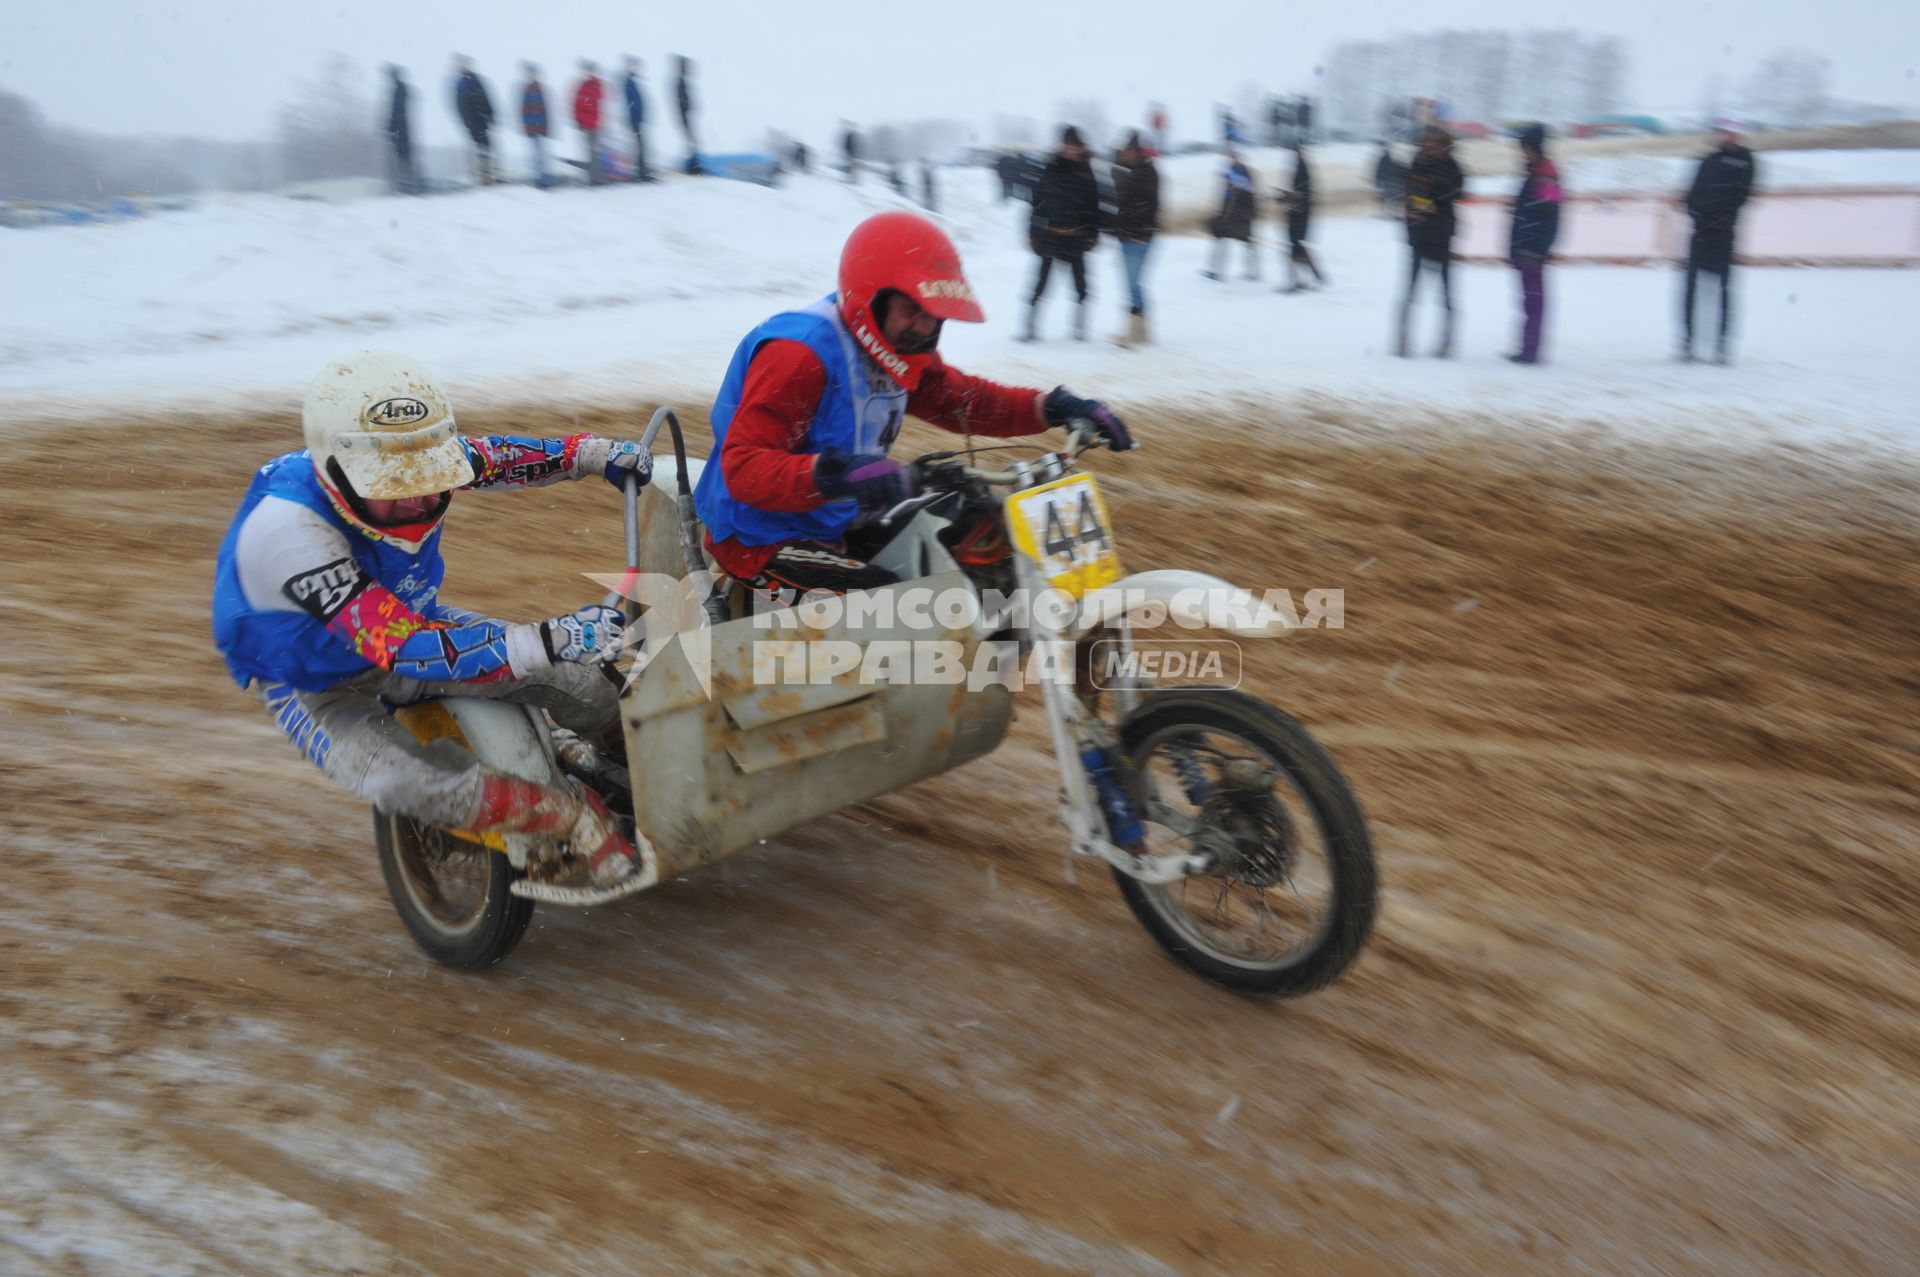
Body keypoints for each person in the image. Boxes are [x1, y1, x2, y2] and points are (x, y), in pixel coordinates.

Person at [210, 351, 657, 891]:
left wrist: (589, 454)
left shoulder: (410, 453)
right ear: (337, 477)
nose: (421, 498)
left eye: (431, 478)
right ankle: (568, 817)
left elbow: (495, 457)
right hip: (312, 681)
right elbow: (397, 646)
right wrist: (549, 637)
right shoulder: (288, 534)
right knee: (404, 782)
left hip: (413, 622)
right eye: (396, 487)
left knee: (587, 683)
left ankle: (641, 773)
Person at [692, 211, 1134, 601]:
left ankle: (984, 675)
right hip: (763, 536)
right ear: (872, 296)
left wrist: (1053, 406)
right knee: (900, 611)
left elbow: (964, 401)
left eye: (934, 314)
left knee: (984, 534)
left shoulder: (897, 347)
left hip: (840, 514)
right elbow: (745, 468)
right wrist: (836, 473)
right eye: (913, 309)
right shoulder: (800, 354)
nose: (925, 326)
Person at [1680, 120, 1757, 365]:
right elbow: (1690, 194)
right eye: (1724, 132)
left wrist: (1718, 218)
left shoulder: (1746, 160)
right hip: (1700, 232)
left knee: (1723, 291)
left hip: (1724, 234)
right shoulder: (1708, 160)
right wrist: (1697, 214)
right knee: (1691, 290)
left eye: (1733, 133)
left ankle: (1722, 346)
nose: (1728, 137)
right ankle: (1688, 343)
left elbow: (1741, 196)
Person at [1021, 126, 1101, 342]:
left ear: (1080, 147)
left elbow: (1094, 206)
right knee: (1040, 283)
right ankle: (1029, 328)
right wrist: (1033, 233)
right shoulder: (1051, 168)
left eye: (1073, 145)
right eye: (1066, 144)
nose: (1069, 148)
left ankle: (1079, 329)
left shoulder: (1086, 171)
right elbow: (1037, 204)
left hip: (1076, 237)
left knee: (1081, 285)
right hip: (1051, 235)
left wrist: (1093, 234)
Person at [1395, 125, 1465, 358]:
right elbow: (1412, 200)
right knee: (1410, 290)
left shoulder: (1452, 167)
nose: (1429, 146)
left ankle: (1446, 343)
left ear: (1445, 145)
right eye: (1426, 142)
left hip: (1442, 236)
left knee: (1445, 292)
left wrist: (1432, 190)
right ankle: (1402, 341)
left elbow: (1455, 192)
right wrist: (1426, 205)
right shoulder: (1417, 164)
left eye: (1434, 143)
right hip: (1419, 235)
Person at [1507, 123, 1563, 364]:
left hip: (1532, 248)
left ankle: (1531, 351)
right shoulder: (1534, 172)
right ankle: (1527, 348)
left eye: (1525, 148)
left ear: (1533, 148)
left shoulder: (1545, 174)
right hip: (1525, 245)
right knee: (1529, 299)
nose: (1522, 152)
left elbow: (1552, 215)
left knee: (1534, 300)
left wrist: (1540, 247)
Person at [1109, 131, 1160, 348]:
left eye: (1130, 151)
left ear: (1138, 152)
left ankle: (1135, 331)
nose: (1127, 154)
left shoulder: (1146, 172)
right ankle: (1141, 331)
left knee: (1133, 283)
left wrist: (1139, 232)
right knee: (1133, 283)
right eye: (1125, 151)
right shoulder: (1131, 171)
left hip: (1138, 236)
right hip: (1128, 234)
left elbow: (1150, 205)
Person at [1276, 140, 1326, 293]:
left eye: (1293, 153)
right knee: (1297, 247)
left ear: (1298, 153)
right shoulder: (1301, 167)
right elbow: (1298, 193)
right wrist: (1283, 196)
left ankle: (1297, 282)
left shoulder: (1302, 169)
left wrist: (1285, 197)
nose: (1291, 156)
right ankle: (1314, 277)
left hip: (1300, 215)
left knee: (1295, 248)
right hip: (1299, 213)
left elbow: (1301, 194)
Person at [1202, 150, 1258, 281]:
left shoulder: (1244, 174)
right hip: (1228, 216)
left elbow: (1249, 196)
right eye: (1230, 157)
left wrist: (1249, 213)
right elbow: (1226, 197)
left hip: (1241, 217)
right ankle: (1216, 270)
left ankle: (1253, 271)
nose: (1232, 160)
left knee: (1247, 243)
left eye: (1234, 157)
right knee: (1220, 240)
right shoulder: (1229, 173)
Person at [452, 57, 495, 186]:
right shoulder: (462, 83)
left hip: (481, 119)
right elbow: (460, 105)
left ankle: (487, 174)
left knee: (486, 146)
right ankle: (482, 176)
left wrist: (490, 114)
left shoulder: (476, 81)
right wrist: (466, 120)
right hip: (473, 121)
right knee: (479, 147)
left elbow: (486, 98)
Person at [384, 66, 418, 196]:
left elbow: (396, 111)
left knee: (401, 157)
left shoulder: (398, 89)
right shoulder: (400, 88)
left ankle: (405, 185)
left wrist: (391, 127)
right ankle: (405, 184)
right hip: (401, 129)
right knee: (403, 157)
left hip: (400, 129)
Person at [620, 56, 652, 183]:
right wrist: (636, 116)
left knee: (641, 147)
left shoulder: (632, 79)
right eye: (633, 65)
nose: (636, 67)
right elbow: (631, 102)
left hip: (637, 119)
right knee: (639, 147)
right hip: (635, 120)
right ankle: (640, 174)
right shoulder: (628, 80)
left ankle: (642, 172)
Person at [572, 60, 603, 185]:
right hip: (587, 123)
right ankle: (593, 177)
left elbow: (590, 102)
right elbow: (579, 103)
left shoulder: (594, 84)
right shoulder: (585, 85)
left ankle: (595, 177)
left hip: (593, 123)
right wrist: (578, 119)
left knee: (593, 152)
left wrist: (580, 116)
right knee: (591, 151)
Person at [519, 62, 550, 189]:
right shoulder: (527, 89)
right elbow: (524, 110)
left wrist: (545, 126)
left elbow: (544, 110)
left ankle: (543, 179)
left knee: (541, 154)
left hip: (539, 126)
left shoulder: (539, 89)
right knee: (536, 154)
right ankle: (539, 179)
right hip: (533, 127)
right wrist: (527, 125)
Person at [673, 56, 702, 175]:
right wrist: (688, 109)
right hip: (685, 115)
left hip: (685, 115)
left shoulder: (682, 79)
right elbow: (681, 100)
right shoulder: (680, 80)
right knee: (691, 140)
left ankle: (693, 165)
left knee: (691, 140)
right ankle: (692, 167)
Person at [1373, 141, 1406, 216]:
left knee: (1386, 197)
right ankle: (1388, 212)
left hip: (1385, 180)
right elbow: (1390, 168)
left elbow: (1383, 169)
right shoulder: (1386, 158)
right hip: (1385, 180)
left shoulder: (1385, 159)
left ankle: (1387, 211)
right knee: (1389, 196)